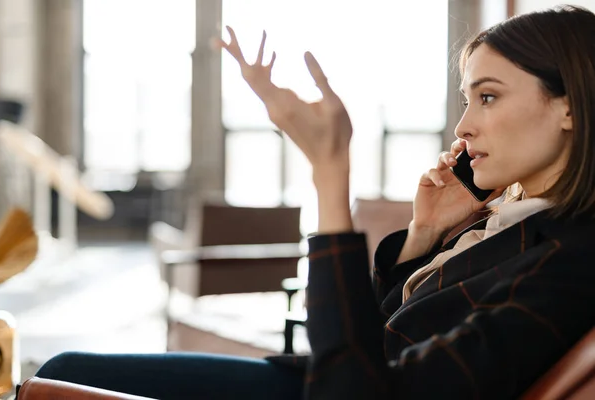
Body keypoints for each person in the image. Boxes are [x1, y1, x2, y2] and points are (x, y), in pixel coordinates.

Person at [32, 4, 595, 399]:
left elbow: (358, 382)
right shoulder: (506, 224)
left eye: (488, 97)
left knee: (62, 377)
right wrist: (423, 238)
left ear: (569, 105)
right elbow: (374, 338)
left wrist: (331, 176)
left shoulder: (571, 258)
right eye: (466, 99)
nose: (464, 125)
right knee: (63, 374)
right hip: (306, 382)